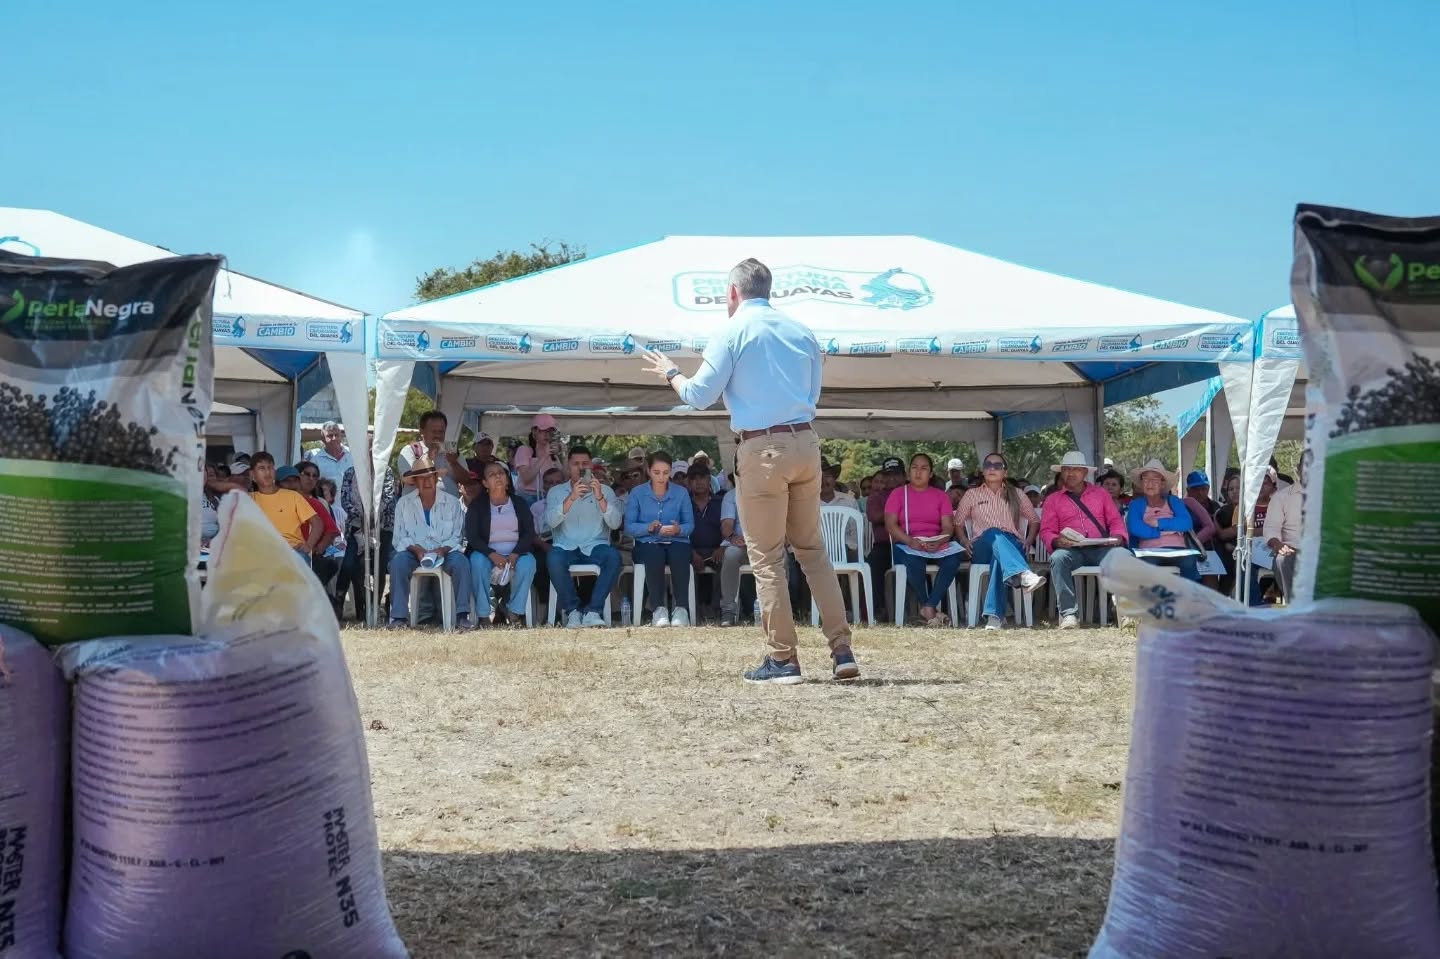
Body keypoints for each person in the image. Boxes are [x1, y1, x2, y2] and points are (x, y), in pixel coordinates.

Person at [641, 257, 857, 683]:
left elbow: (698, 396)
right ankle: (842, 649)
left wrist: (670, 373)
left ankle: (783, 658)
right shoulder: (802, 332)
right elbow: (812, 395)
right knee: (812, 551)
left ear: (733, 292)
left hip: (762, 448)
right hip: (806, 441)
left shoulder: (732, 330)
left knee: (767, 557)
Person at [954, 452, 1044, 629]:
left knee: (998, 559)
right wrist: (964, 541)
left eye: (997, 466)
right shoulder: (972, 494)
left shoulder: (1017, 494)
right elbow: (957, 522)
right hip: (982, 546)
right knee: (993, 532)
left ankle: (995, 617)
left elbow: (1034, 520)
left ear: (1005, 472)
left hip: (1011, 543)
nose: (992, 469)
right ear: (983, 470)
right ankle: (1023, 574)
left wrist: (1028, 540)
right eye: (988, 465)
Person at [1040, 451, 1128, 629]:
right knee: (1058, 558)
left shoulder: (1101, 494)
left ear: (1085, 472)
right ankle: (1069, 614)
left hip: (1101, 548)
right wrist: (1056, 541)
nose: (1071, 473)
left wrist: (1118, 536)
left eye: (1076, 469)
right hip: (1072, 550)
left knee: (1124, 555)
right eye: (1067, 469)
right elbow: (1047, 530)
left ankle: (1126, 612)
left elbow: (1115, 520)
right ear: (1062, 472)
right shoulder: (1052, 500)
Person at [388, 454, 473, 630]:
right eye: (421, 478)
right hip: (414, 552)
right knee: (398, 562)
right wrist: (416, 549)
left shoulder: (452, 503)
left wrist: (442, 550)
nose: (426, 481)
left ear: (436, 478)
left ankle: (462, 616)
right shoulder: (404, 504)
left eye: (430, 477)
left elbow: (457, 536)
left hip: (445, 551)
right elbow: (399, 537)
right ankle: (398, 618)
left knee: (461, 563)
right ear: (415, 481)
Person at [545, 445, 623, 628]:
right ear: (568, 466)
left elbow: (615, 523)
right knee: (553, 558)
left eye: (585, 464)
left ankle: (593, 611)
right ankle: (573, 611)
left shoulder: (606, 490)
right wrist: (571, 498)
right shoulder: (556, 492)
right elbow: (551, 522)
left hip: (595, 546)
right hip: (566, 546)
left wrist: (600, 497)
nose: (580, 468)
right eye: (576, 464)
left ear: (591, 466)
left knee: (613, 557)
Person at [885, 453, 965, 627]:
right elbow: (890, 525)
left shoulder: (941, 496)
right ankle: (928, 606)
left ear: (931, 474)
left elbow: (948, 527)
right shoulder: (898, 494)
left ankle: (928, 606)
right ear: (908, 472)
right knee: (913, 561)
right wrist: (910, 541)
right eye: (914, 467)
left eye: (923, 468)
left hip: (935, 544)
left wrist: (940, 540)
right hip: (907, 544)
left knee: (953, 559)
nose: (918, 472)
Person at [624, 451, 696, 626]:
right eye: (656, 472)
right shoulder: (637, 493)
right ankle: (658, 609)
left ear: (670, 471)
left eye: (665, 472)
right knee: (653, 553)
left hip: (676, 541)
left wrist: (678, 530)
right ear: (648, 471)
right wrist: (647, 528)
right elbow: (629, 526)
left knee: (680, 552)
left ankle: (681, 609)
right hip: (647, 542)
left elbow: (690, 525)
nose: (661, 477)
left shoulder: (681, 493)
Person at [466, 461, 538, 627]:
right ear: (485, 483)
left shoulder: (519, 503)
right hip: (487, 554)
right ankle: (484, 615)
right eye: (492, 474)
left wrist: (516, 553)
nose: (498, 476)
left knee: (529, 563)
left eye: (501, 473)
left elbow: (529, 533)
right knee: (476, 561)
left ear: (507, 479)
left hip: (516, 553)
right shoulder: (477, 506)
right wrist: (492, 554)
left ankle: (515, 611)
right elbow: (472, 536)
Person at [1126, 459, 1200, 581]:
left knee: (1189, 562)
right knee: (1148, 567)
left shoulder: (1174, 501)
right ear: (1141, 483)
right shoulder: (1135, 504)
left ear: (1162, 484)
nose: (1150, 483)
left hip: (1178, 550)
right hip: (1148, 551)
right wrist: (1168, 530)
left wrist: (1158, 523)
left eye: (1155, 480)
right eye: (1146, 479)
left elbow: (1186, 523)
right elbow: (1136, 528)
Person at [248, 453, 320, 561]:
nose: (267, 472)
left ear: (274, 472)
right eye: (261, 468)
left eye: (270, 468)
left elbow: (317, 523)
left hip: (292, 551)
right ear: (252, 474)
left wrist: (308, 545)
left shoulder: (293, 496)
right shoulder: (247, 499)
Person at [865, 458, 906, 623]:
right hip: (884, 545)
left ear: (904, 476)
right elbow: (875, 516)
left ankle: (927, 608)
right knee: (872, 564)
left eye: (896, 474)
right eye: (888, 475)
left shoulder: (912, 493)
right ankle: (877, 611)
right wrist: (897, 513)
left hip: (911, 544)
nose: (892, 479)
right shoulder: (876, 497)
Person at [1263, 458, 1304, 600]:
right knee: (1282, 560)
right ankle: (1296, 605)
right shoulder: (1282, 497)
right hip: (1293, 551)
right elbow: (1271, 529)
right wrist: (1278, 545)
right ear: (1298, 468)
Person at [688, 467, 727, 614]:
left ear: (709, 480)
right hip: (691, 550)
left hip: (716, 550)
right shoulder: (684, 503)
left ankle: (717, 608)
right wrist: (691, 553)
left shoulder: (721, 502)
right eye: (694, 478)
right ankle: (691, 609)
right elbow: (679, 533)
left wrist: (722, 547)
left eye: (702, 477)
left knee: (726, 561)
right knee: (681, 561)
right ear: (688, 482)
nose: (698, 482)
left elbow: (729, 527)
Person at [399, 411, 461, 498]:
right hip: (418, 504)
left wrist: (454, 463)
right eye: (434, 431)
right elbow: (409, 479)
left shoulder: (452, 450)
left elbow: (467, 481)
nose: (438, 436)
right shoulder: (410, 450)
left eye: (441, 432)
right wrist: (429, 456)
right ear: (422, 431)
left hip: (450, 505)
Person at [513, 414, 564, 502]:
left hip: (547, 496)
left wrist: (562, 454)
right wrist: (544, 456)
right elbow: (526, 479)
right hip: (527, 497)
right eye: (543, 431)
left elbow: (564, 478)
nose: (547, 435)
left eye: (550, 431)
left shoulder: (552, 454)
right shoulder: (524, 450)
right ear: (534, 432)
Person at [304, 421, 353, 487]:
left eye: (336, 435)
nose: (334, 438)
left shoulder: (351, 454)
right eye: (330, 436)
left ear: (341, 436)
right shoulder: (316, 459)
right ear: (323, 439)